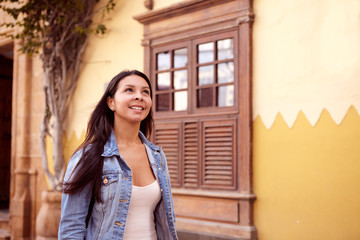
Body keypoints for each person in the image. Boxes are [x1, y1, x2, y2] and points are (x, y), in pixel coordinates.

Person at [58, 70, 178, 240]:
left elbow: (165, 221)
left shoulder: (157, 157)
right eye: (129, 90)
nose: (139, 96)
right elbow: (71, 228)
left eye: (145, 92)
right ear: (111, 102)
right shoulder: (88, 157)